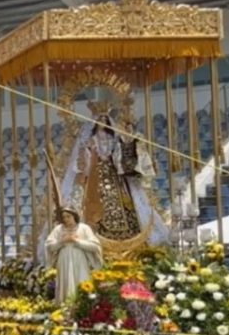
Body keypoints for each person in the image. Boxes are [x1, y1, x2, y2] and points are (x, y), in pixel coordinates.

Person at [61, 113, 168, 244]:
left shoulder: (114, 139)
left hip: (114, 172)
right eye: (100, 120)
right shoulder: (92, 139)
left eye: (105, 120)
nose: (102, 122)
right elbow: (86, 158)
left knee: (124, 199)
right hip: (97, 173)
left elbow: (120, 153)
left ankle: (129, 235)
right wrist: (89, 154)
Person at [43, 206, 103, 304]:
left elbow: (95, 246)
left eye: (68, 216)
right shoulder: (58, 229)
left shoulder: (84, 228)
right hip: (64, 260)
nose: (66, 219)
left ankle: (82, 306)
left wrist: (77, 241)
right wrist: (62, 241)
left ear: (74, 216)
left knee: (81, 281)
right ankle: (65, 307)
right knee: (65, 283)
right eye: (64, 217)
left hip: (80, 260)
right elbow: (49, 246)